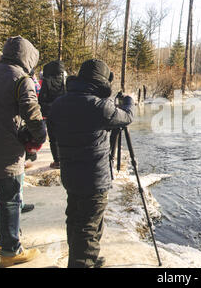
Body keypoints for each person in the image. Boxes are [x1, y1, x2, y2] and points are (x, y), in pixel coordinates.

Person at [50, 59, 134, 268]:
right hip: (94, 178)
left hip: (70, 175)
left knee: (75, 217)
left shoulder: (60, 102)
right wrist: (129, 102)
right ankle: (82, 262)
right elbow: (126, 117)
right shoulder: (100, 107)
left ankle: (87, 258)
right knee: (89, 225)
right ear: (102, 82)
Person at [0, 36, 46, 267]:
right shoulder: (21, 79)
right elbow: (32, 113)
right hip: (6, 152)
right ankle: (10, 250)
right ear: (28, 57)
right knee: (10, 201)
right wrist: (39, 137)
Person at [38, 60, 66, 169]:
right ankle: (64, 159)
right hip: (64, 113)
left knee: (53, 138)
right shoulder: (65, 80)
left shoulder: (47, 81)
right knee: (64, 136)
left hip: (51, 113)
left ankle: (57, 161)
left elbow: (42, 98)